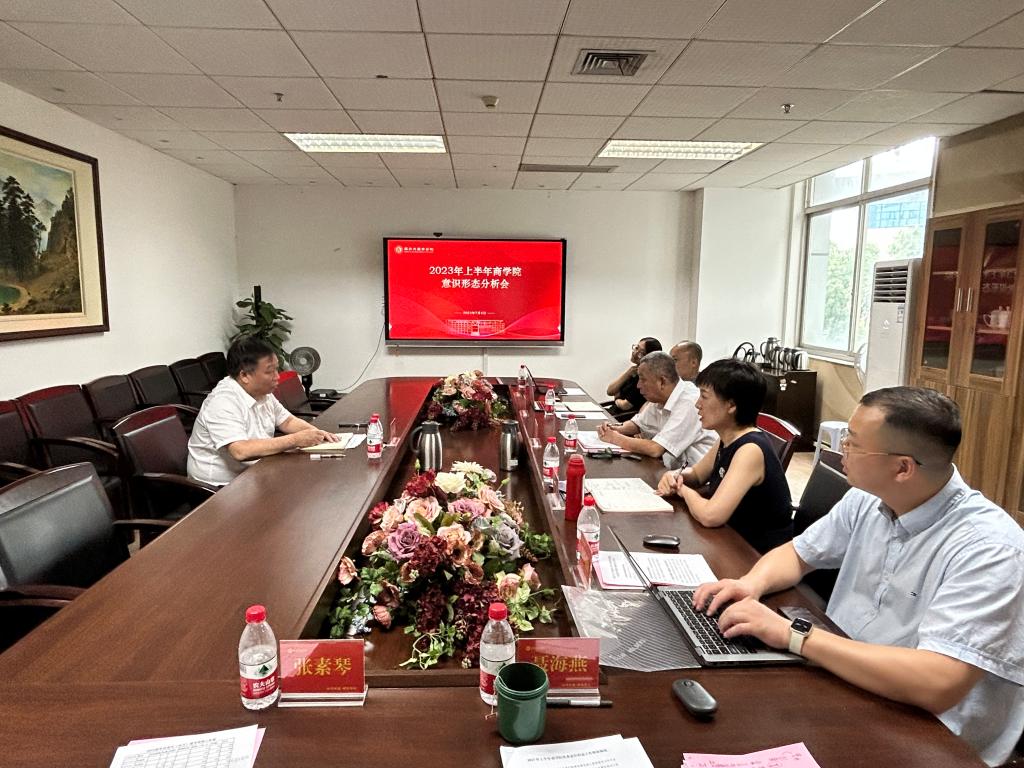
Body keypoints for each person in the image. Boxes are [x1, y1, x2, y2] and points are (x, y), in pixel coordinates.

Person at [693, 387, 1024, 767]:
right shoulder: (869, 497)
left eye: (853, 443)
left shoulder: (991, 548)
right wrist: (750, 584)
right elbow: (798, 554)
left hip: (929, 733)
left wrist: (794, 636)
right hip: (843, 675)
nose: (841, 450)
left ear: (902, 468)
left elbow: (939, 683)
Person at [657, 358, 792, 553]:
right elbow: (697, 475)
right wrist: (676, 476)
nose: (697, 404)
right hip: (730, 539)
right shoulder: (728, 438)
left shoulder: (750, 449)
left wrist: (682, 490)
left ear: (731, 405)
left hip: (756, 554)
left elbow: (711, 516)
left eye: (704, 396)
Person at [187, 336, 340, 486]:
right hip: (220, 487)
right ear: (244, 375)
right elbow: (240, 451)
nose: (277, 377)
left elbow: (287, 421)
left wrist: (317, 434)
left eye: (276, 369)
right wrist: (295, 440)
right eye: (269, 371)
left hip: (255, 471)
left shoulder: (261, 392)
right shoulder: (222, 402)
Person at [597, 351, 715, 469]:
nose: (638, 385)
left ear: (662, 382)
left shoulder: (689, 402)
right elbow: (638, 424)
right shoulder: (661, 397)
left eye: (643, 380)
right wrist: (615, 428)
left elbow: (655, 449)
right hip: (672, 470)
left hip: (696, 476)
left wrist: (614, 438)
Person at [606, 336, 661, 415]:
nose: (634, 353)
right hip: (613, 411)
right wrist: (628, 373)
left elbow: (625, 405)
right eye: (636, 348)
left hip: (621, 417)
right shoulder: (633, 370)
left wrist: (617, 399)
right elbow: (610, 391)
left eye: (641, 353)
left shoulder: (645, 378)